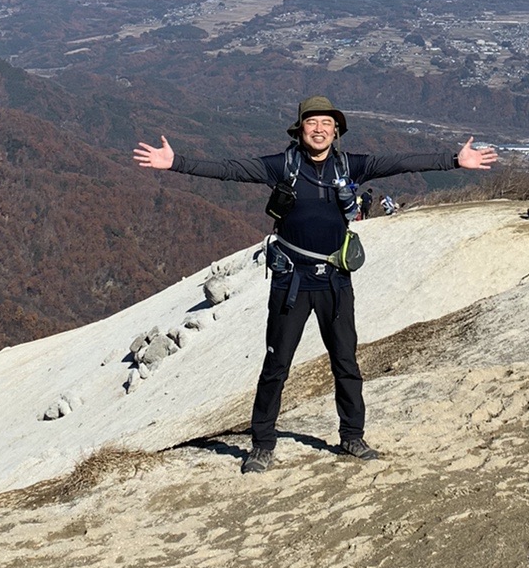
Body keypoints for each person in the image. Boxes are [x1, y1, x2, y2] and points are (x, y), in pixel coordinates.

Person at [133, 96, 497, 475]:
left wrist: (454, 161)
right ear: (300, 128)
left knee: (345, 361)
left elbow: (399, 162)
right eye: (312, 122)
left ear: (335, 130)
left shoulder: (350, 165)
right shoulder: (283, 167)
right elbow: (229, 170)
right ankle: (262, 445)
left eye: (327, 122)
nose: (320, 128)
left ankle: (352, 437)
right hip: (291, 280)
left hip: (336, 282)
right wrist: (175, 163)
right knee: (276, 365)